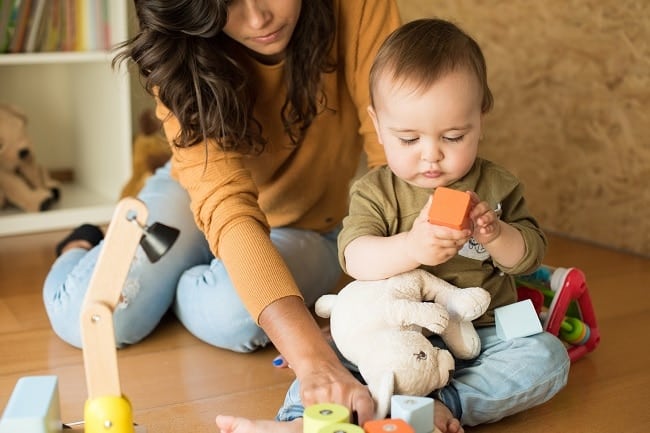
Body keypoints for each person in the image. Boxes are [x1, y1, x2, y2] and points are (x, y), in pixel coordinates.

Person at [42, 0, 401, 425]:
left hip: (307, 222)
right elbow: (225, 204)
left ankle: (184, 277)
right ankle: (82, 241)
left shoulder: (359, 8)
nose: (258, 18)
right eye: (225, 3)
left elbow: (393, 155)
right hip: (196, 196)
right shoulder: (177, 44)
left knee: (237, 318)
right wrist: (314, 358)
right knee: (88, 317)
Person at [216, 17, 571, 433]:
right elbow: (355, 258)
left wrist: (496, 234)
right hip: (390, 332)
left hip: (479, 334)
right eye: (408, 139)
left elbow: (528, 256)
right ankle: (305, 422)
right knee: (335, 362)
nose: (431, 156)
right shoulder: (376, 191)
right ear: (379, 126)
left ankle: (437, 404)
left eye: (453, 136)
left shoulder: (496, 186)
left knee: (547, 357)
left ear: (481, 118)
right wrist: (412, 249)